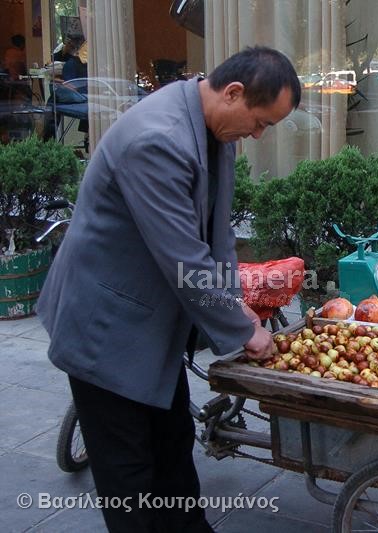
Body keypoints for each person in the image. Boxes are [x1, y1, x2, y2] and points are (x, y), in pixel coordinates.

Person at [37, 46, 301, 533]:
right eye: (261, 122)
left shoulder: (217, 128)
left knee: (173, 444)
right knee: (130, 471)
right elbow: (184, 259)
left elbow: (217, 235)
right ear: (233, 92)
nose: (259, 135)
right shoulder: (157, 140)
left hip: (148, 320)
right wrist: (242, 329)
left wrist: (234, 302)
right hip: (105, 323)